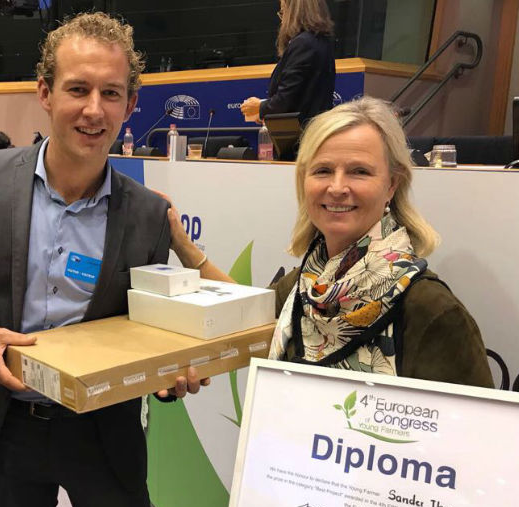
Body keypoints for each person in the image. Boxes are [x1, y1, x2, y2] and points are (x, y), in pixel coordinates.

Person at [0, 12, 207, 507]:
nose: (94, 110)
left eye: (111, 93)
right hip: (8, 426)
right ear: (45, 92)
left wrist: (168, 378)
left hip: (104, 430)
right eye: (78, 89)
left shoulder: (148, 214)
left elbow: (147, 326)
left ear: (130, 104)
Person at [170, 96, 493, 388]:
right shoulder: (304, 287)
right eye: (323, 170)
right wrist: (182, 245)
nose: (337, 188)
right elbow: (240, 315)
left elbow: (474, 429)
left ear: (392, 184)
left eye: (359, 171)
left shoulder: (430, 309)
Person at [240, 0, 335, 128]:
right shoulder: (322, 42)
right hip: (316, 128)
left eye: (283, 11)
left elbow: (288, 98)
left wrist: (260, 107)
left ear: (293, 12)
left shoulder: (303, 44)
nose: (282, 19)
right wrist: (267, 113)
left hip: (301, 131)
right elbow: (302, 94)